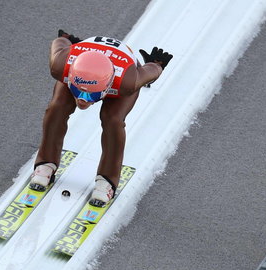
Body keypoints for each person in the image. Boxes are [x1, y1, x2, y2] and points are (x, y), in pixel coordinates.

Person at [29, 30, 173, 207]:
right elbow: (59, 44)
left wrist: (155, 64)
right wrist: (66, 40)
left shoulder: (128, 81)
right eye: (78, 90)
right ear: (71, 76)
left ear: (107, 89)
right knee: (56, 108)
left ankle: (107, 181)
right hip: (81, 62)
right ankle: (45, 164)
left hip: (121, 72)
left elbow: (151, 71)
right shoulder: (60, 65)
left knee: (112, 120)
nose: (82, 100)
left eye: (91, 95)